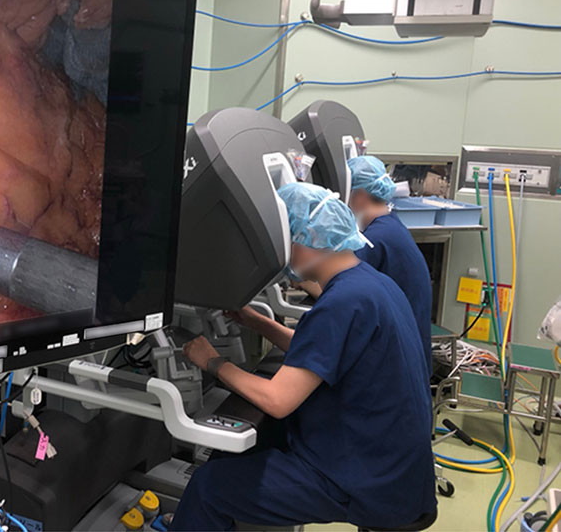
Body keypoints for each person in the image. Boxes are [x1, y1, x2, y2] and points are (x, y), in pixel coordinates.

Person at [171, 182, 435, 532]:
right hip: (393, 468)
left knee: (209, 486)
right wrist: (258, 322)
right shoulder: (370, 284)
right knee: (240, 449)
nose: (283, 256)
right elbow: (321, 347)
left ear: (310, 241)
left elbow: (278, 400)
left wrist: (212, 362)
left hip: (364, 479)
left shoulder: (343, 302)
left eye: (286, 242)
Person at [346, 155, 433, 375]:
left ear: (360, 195)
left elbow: (336, 288)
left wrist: (299, 274)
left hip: (397, 357)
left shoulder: (376, 238)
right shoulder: (389, 223)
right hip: (409, 347)